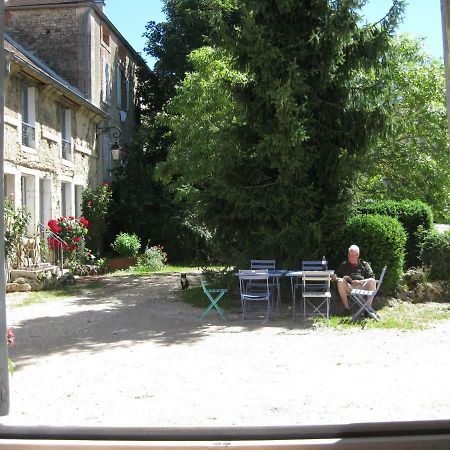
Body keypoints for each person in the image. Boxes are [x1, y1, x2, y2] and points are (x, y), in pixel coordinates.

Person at [332, 244, 376, 316]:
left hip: (362, 287)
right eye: (349, 255)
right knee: (340, 282)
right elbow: (337, 274)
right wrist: (335, 277)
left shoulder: (364, 264)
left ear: (358, 255)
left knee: (372, 281)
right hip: (350, 288)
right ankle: (347, 309)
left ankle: (368, 309)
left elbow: (372, 277)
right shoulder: (344, 264)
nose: (351, 258)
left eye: (353, 256)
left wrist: (360, 282)